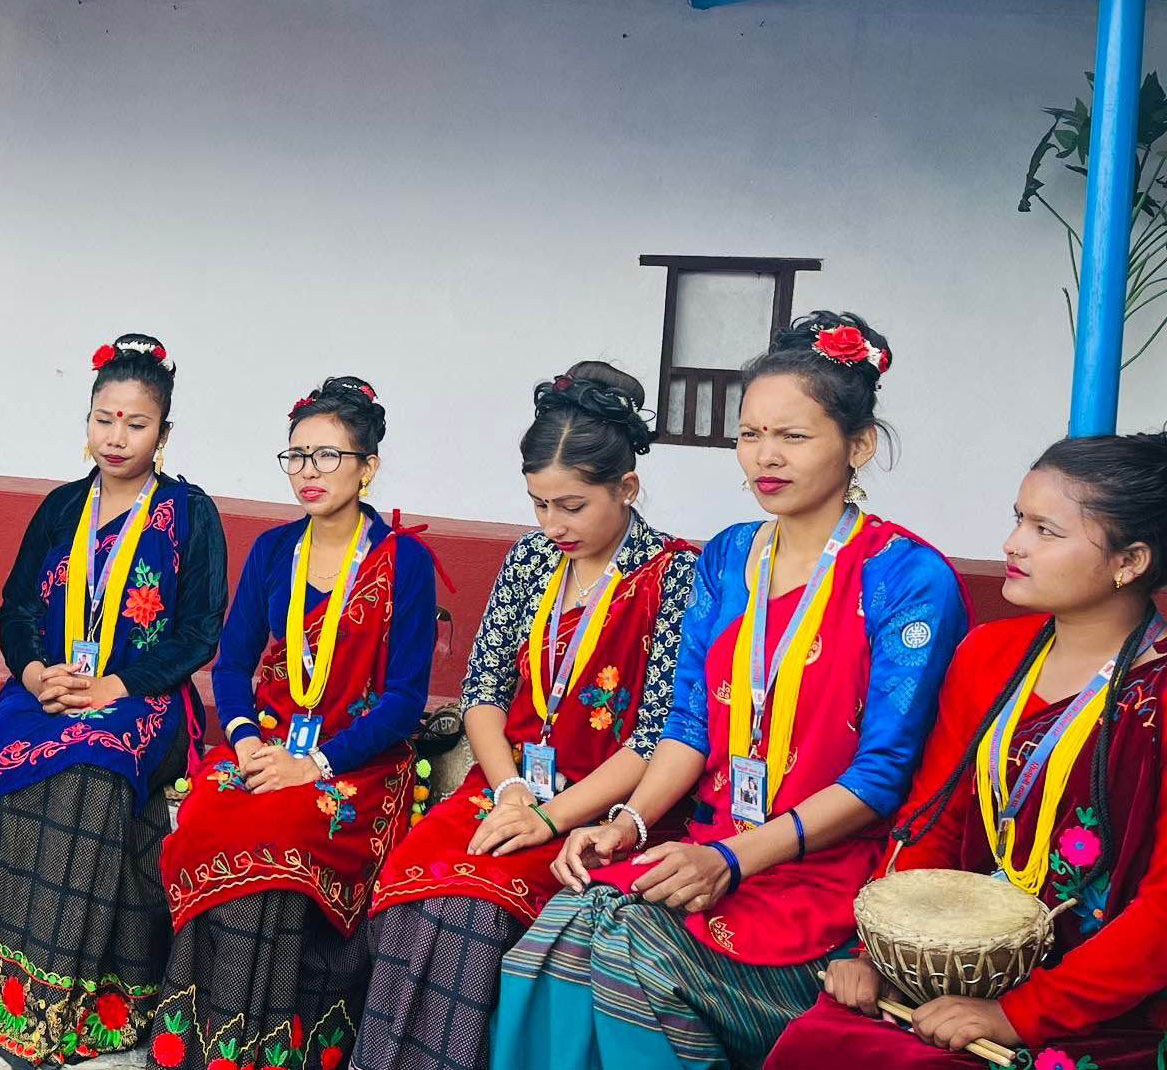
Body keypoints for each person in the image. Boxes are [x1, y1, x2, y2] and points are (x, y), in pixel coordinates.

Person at [489, 311, 971, 1070]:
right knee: (554, 940)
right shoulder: (728, 558)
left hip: (823, 878)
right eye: (750, 434)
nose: (765, 457)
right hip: (713, 848)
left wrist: (735, 860)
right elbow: (688, 725)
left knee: (625, 956)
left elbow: (881, 777)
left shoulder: (907, 578)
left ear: (859, 446)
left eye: (793, 436)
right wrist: (629, 824)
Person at [767, 433, 1167, 1070]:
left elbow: (1161, 915)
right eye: (1018, 520)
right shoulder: (989, 656)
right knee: (818, 1041)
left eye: (1045, 531)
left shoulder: (1157, 697)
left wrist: (1018, 1014)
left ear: (1131, 561)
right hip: (953, 965)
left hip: (1098, 1001)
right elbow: (933, 818)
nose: (1012, 544)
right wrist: (884, 953)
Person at [356, 363, 698, 1070]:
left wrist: (549, 817)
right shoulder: (530, 560)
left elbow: (656, 736)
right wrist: (511, 789)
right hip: (508, 787)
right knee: (415, 877)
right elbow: (483, 690)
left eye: (571, 506)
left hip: (605, 808)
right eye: (539, 504)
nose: (552, 525)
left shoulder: (673, 575)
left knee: (476, 907)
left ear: (627, 488)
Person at [0, 334, 228, 1067]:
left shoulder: (190, 514)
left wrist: (114, 685)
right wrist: (35, 675)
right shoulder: (62, 507)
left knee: (91, 766)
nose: (116, 437)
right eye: (104, 419)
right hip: (51, 684)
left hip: (142, 697)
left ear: (163, 432)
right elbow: (14, 608)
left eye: (136, 423)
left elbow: (199, 630)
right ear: (87, 421)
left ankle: (60, 1005)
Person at [152, 377, 437, 1070]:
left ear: (367, 467)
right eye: (297, 455)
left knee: (282, 825)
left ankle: (272, 1044)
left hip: (356, 761)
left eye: (328, 456)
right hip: (266, 744)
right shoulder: (275, 550)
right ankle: (198, 1038)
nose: (309, 471)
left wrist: (315, 765)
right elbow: (231, 666)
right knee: (208, 813)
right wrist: (247, 740)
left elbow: (404, 700)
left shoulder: (405, 562)